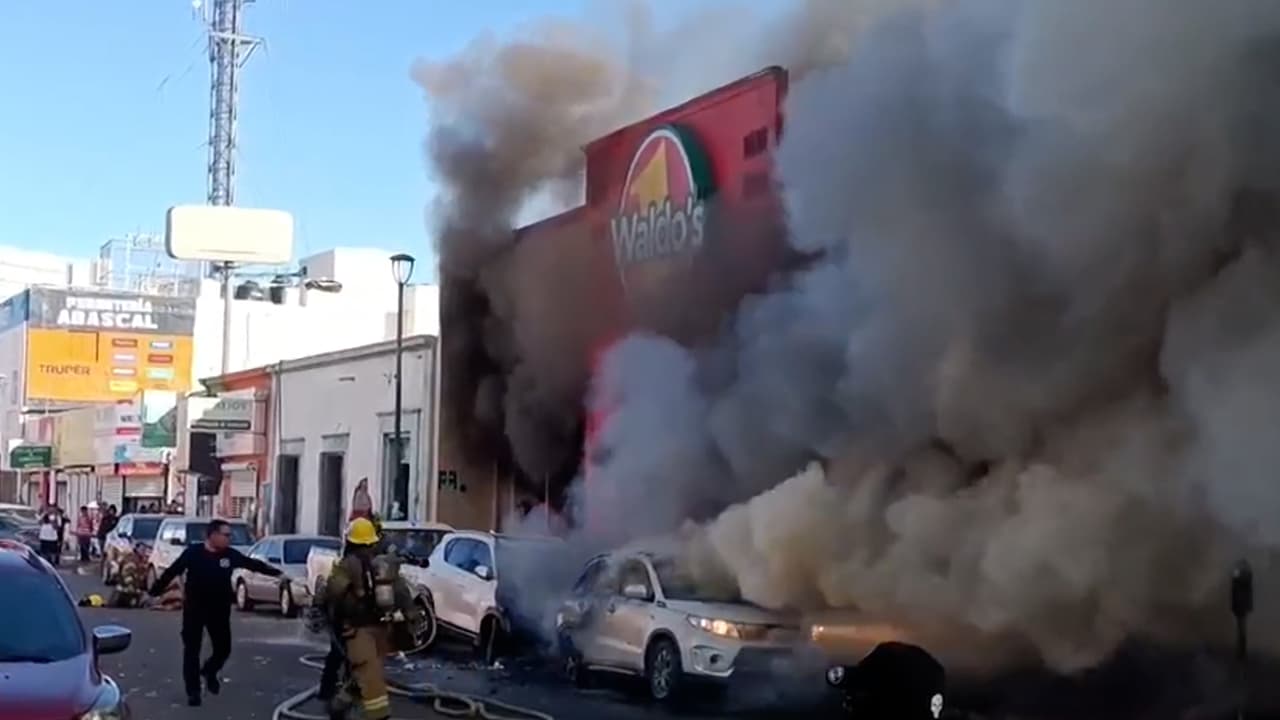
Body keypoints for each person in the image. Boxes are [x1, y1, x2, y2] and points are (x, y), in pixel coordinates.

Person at [147, 519, 285, 707]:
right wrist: (154, 592)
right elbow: (172, 571)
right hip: (195, 609)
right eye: (226, 535)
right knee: (192, 650)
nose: (229, 538)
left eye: (230, 535)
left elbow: (252, 564)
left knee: (223, 648)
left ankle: (210, 670)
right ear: (212, 536)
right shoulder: (193, 553)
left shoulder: (229, 555)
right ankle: (193, 692)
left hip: (219, 609)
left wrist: (278, 574)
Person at [318, 517, 420, 720]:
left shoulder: (347, 565)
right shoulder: (383, 565)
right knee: (367, 676)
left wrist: (323, 608)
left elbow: (332, 592)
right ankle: (356, 711)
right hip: (378, 629)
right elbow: (402, 592)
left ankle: (349, 710)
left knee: (367, 677)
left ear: (351, 542)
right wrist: (411, 618)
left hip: (358, 631)